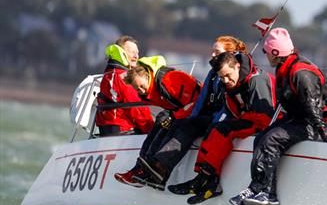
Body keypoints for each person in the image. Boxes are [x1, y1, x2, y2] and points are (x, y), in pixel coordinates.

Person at [230, 28, 327, 205]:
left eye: (267, 51)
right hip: (302, 118)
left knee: (272, 139)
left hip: (324, 123)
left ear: (276, 53)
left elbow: (313, 108)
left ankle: (269, 194)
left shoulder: (300, 73)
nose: (265, 55)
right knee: (262, 137)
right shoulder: (284, 68)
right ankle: (257, 188)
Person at [128, 36, 246, 193]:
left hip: (222, 117)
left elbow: (229, 105)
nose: (212, 55)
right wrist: (186, 117)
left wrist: (198, 121)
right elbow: (202, 100)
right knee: (172, 121)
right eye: (212, 51)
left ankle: (160, 167)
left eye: (216, 51)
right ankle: (149, 167)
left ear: (230, 54)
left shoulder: (235, 74)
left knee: (186, 125)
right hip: (210, 114)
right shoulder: (213, 74)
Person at [168, 50, 277, 204]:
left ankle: (206, 179)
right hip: (250, 117)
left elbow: (265, 117)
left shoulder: (256, 81)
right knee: (214, 129)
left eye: (228, 75)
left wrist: (238, 120)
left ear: (237, 67)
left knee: (223, 130)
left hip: (266, 121)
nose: (225, 80)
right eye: (221, 77)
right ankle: (207, 180)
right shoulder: (230, 86)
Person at [114, 56, 201, 189]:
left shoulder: (168, 79)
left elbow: (197, 100)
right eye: (137, 89)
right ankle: (141, 168)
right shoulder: (148, 92)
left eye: (142, 86)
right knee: (161, 121)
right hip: (182, 111)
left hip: (200, 109)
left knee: (172, 125)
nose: (141, 91)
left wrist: (175, 116)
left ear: (148, 76)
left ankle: (159, 170)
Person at [95, 35, 153, 136]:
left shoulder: (110, 74)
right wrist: (152, 130)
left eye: (137, 53)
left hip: (108, 131)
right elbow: (137, 108)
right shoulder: (122, 76)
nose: (136, 56)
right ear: (121, 53)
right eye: (133, 52)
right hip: (122, 132)